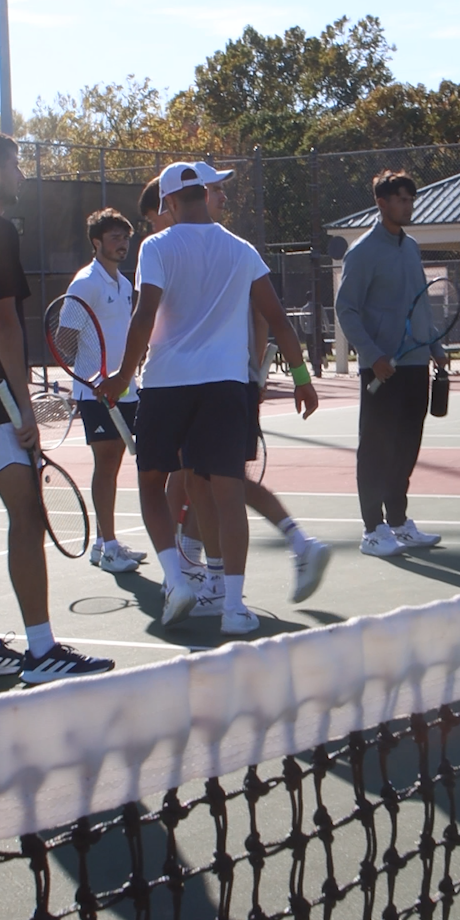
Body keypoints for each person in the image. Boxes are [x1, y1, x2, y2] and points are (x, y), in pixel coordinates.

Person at [101, 162, 319, 636]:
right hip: (224, 387)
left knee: (152, 485)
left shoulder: (156, 246)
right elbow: (279, 322)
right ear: (202, 194)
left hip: (166, 384)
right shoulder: (241, 249)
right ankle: (235, 608)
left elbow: (144, 317)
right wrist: (302, 378)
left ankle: (178, 580)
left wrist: (120, 377)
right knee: (227, 495)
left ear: (172, 203)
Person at [0, 131, 113, 687]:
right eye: (12, 165)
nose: (20, 175)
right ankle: (40, 650)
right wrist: (24, 409)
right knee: (26, 514)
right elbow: (2, 320)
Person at [175, 162, 332, 610]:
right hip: (211, 384)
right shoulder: (188, 249)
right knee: (200, 482)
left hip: (217, 386)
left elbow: (269, 317)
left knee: (217, 484)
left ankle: (274, 557)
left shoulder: (229, 251)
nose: (224, 197)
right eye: (216, 190)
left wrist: (269, 375)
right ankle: (205, 573)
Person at [334, 170, 445, 556]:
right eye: (401, 199)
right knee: (376, 448)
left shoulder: (411, 247)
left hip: (416, 365)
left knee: (406, 447)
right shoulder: (362, 252)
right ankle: (372, 529)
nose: (408, 205)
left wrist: (435, 346)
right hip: (381, 368)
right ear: (382, 204)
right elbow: (345, 309)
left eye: (410, 199)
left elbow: (420, 302)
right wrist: (372, 355)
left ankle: (398, 521)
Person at [63, 207, 146, 576]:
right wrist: (89, 379)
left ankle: (102, 542)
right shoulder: (85, 284)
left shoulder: (124, 284)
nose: (122, 244)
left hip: (126, 389)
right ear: (97, 243)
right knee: (106, 463)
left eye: (125, 238)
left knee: (114, 466)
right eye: (114, 238)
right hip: (95, 394)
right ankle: (110, 546)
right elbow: (64, 341)